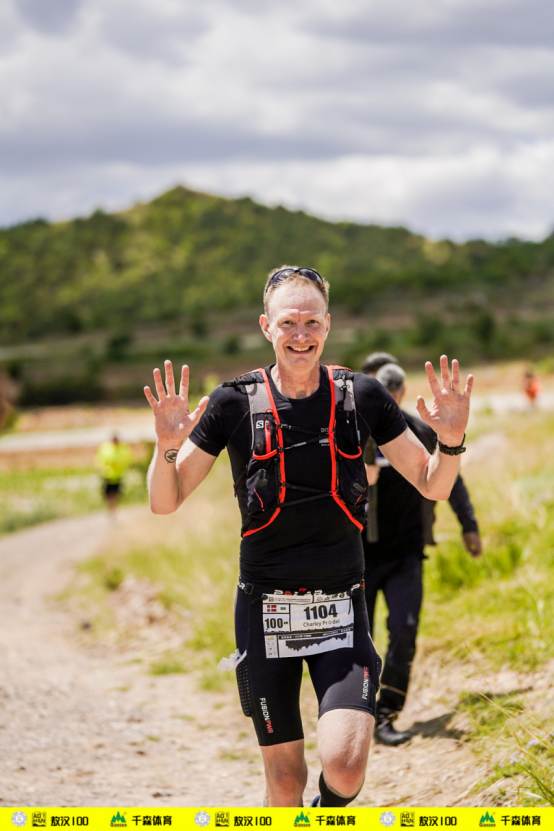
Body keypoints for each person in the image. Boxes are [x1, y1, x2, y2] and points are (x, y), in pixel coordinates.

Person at [144, 265, 473, 807]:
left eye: (312, 321)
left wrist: (453, 441)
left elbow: (431, 484)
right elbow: (165, 500)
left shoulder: (361, 396)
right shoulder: (233, 402)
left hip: (342, 610)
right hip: (264, 611)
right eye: (288, 322)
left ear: (328, 324)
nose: (301, 334)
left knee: (344, 770)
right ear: (265, 327)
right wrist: (165, 444)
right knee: (285, 781)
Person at [362, 360, 481, 746]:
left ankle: (385, 716)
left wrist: (468, 524)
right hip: (357, 557)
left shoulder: (420, 431)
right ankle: (355, 719)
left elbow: (452, 477)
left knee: (404, 630)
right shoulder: (353, 435)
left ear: (396, 394)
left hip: (406, 555)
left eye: (391, 395)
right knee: (356, 639)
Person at [94, 434, 133, 515]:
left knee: (116, 496)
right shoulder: (105, 448)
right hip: (107, 476)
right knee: (107, 496)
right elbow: (98, 460)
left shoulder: (124, 449)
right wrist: (101, 469)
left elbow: (128, 460)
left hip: (118, 477)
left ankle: (114, 511)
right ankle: (110, 510)